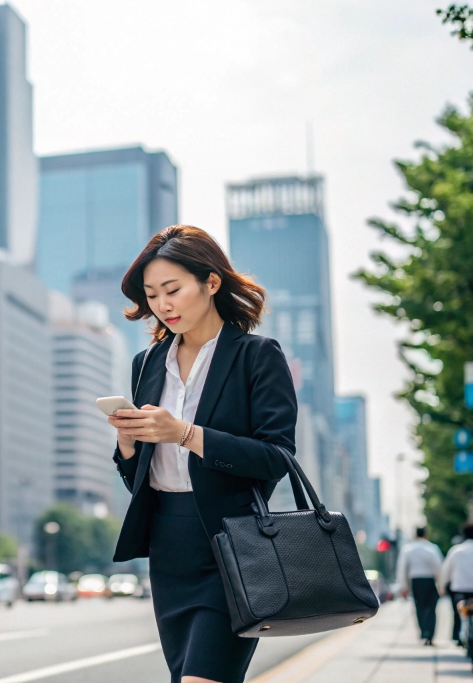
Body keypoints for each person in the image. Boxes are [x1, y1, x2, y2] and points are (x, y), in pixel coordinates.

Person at [107, 225, 297, 683]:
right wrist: (129, 445)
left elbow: (278, 457)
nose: (162, 305)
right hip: (168, 545)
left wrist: (187, 433)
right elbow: (141, 478)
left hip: (233, 541)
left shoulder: (257, 356)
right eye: (152, 295)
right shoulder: (147, 363)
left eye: (172, 289)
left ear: (211, 282)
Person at [397, 527, 444, 645]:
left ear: (415, 534)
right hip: (430, 580)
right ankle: (430, 633)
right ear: (426, 534)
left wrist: (404, 587)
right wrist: (441, 585)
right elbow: (439, 568)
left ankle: (424, 631)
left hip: (416, 581)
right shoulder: (432, 548)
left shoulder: (408, 549)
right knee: (431, 608)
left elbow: (402, 569)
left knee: (419, 607)